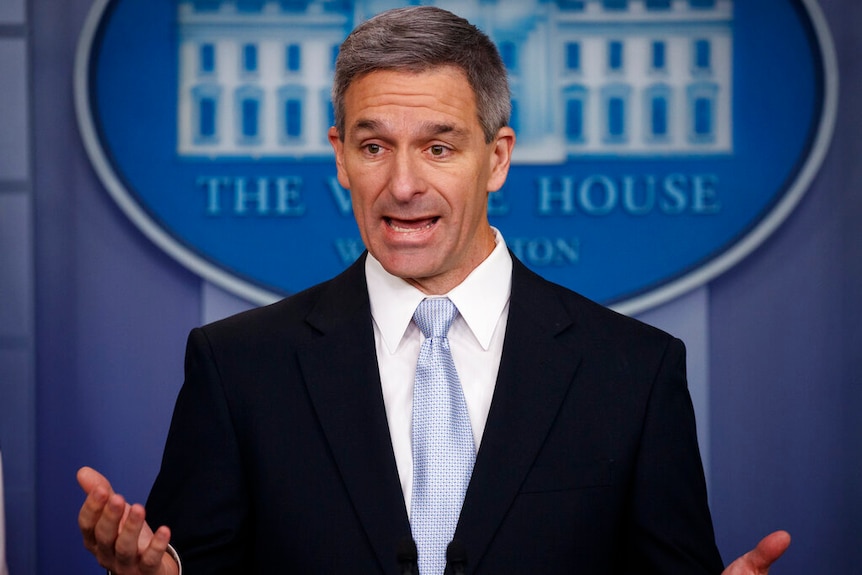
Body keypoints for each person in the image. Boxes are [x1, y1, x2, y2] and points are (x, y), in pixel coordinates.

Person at [78, 6, 791, 574]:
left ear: (498, 158)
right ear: (340, 157)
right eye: (374, 145)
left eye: (439, 147)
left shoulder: (635, 371)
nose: (404, 184)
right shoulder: (237, 366)